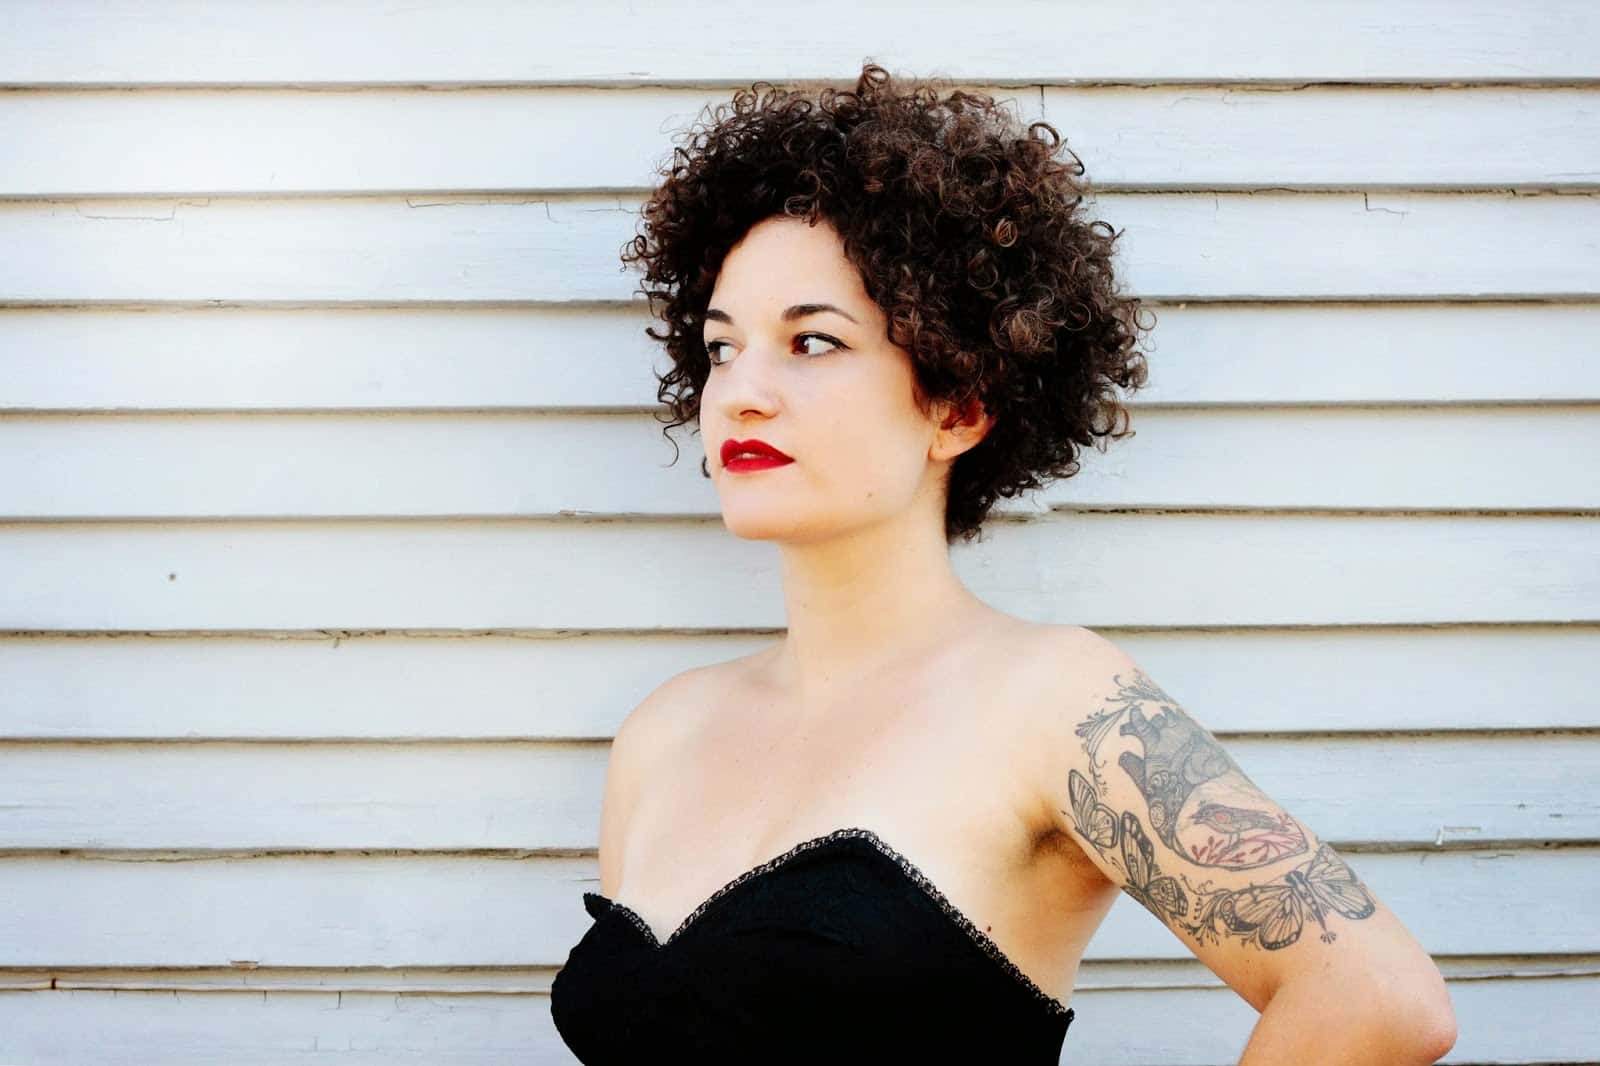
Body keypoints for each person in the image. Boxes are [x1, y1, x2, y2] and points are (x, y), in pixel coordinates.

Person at [550, 61, 1457, 1064]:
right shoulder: (665, 729)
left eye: (810, 342)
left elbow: (1376, 999)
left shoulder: (1056, 703)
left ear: (958, 406)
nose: (743, 394)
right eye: (722, 349)